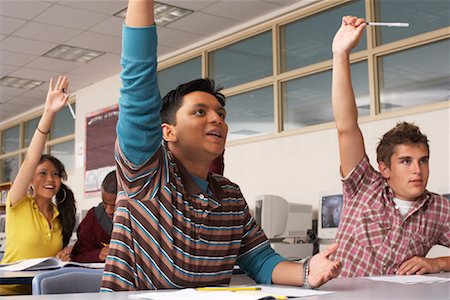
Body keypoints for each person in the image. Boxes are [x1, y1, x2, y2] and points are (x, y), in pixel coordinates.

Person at [101, 0, 340, 291]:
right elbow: (138, 84)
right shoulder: (148, 175)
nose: (216, 119)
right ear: (167, 132)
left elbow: (260, 259)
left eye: (221, 114)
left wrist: (305, 271)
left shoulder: (230, 196)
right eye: (200, 112)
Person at [331, 15, 450, 277]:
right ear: (384, 168)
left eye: (423, 160)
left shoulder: (440, 209)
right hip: (341, 294)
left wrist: (437, 263)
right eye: (406, 161)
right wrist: (341, 54)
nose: (417, 170)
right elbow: (346, 126)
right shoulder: (363, 186)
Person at [0, 76, 77, 295]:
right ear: (31, 180)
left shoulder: (59, 214)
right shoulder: (18, 203)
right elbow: (30, 160)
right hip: (8, 292)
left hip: (42, 291)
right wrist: (49, 113)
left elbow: (52, 259)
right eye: (42, 174)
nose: (50, 180)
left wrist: (65, 253)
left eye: (55, 174)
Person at [71, 170, 117, 263]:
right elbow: (78, 256)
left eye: (114, 205)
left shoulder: (143, 218)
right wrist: (98, 254)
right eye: (104, 203)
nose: (108, 210)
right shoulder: (93, 218)